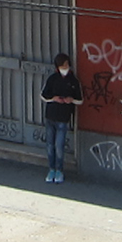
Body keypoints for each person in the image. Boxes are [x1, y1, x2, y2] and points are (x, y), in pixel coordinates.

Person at [40, 52, 83, 184]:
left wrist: (71, 100)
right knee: (50, 145)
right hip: (51, 116)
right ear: (58, 66)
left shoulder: (73, 81)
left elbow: (80, 100)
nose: (66, 67)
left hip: (63, 118)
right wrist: (53, 98)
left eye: (67, 65)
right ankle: (51, 169)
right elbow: (43, 96)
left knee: (59, 146)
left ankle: (59, 170)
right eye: (63, 65)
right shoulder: (52, 79)